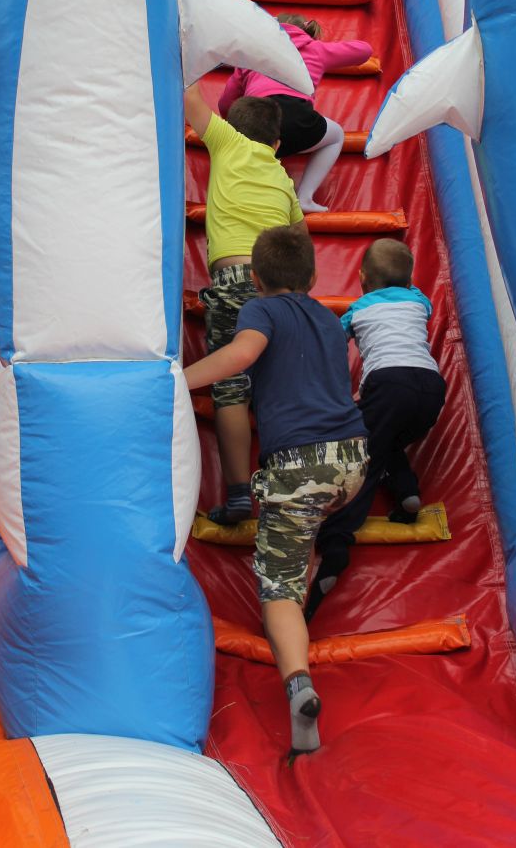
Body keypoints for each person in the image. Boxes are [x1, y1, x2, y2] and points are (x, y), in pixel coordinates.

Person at [184, 226, 367, 758]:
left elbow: (241, 355)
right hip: (353, 459)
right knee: (301, 539)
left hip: (299, 466)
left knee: (279, 587)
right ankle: (312, 574)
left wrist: (177, 377)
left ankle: (298, 684)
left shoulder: (260, 311)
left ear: (256, 279)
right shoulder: (328, 320)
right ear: (313, 275)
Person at [304, 238, 446, 622]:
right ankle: (407, 492)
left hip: (388, 384)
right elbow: (416, 299)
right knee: (386, 441)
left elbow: (334, 342)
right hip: (432, 388)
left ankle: (336, 543)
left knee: (363, 457)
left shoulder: (357, 310)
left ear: (362, 278)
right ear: (409, 281)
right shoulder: (419, 301)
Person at [184, 82, 307, 526]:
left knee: (230, 387)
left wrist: (190, 58)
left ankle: (238, 492)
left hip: (235, 277)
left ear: (232, 128)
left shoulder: (228, 141)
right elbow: (301, 241)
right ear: (277, 144)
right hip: (281, 288)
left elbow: (191, 100)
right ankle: (288, 485)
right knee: (279, 385)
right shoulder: (282, 177)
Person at [218, 15, 372, 213]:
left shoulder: (253, 52)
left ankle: (243, 193)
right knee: (336, 136)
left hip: (255, 120)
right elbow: (364, 51)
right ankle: (305, 197)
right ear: (305, 29)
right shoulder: (315, 49)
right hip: (296, 121)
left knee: (252, 143)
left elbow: (225, 103)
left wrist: (233, 130)